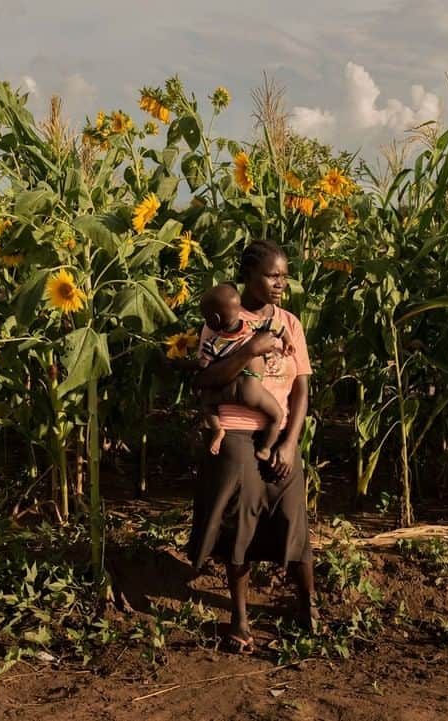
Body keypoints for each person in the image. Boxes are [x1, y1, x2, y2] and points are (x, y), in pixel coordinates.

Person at [187, 239, 319, 655]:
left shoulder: (290, 323)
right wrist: (249, 349)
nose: (281, 283)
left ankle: (308, 610)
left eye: (284, 275)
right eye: (272, 275)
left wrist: (289, 441)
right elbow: (204, 381)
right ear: (248, 276)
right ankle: (240, 621)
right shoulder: (222, 317)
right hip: (236, 435)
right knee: (238, 533)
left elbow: (301, 388)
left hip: (279, 439)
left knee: (294, 526)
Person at [196, 282, 293, 460]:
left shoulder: (215, 341)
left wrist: (195, 363)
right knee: (276, 415)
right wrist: (287, 341)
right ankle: (265, 448)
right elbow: (275, 326)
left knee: (207, 403)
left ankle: (218, 430)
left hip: (227, 390)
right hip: (252, 389)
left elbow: (204, 365)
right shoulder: (251, 327)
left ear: (216, 319)